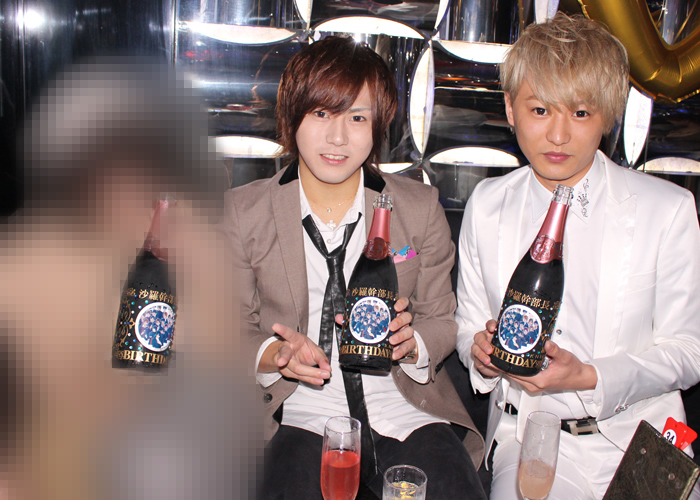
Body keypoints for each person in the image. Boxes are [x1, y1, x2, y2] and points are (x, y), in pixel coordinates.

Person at [221, 36, 486, 499]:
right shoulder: (245, 211)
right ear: (292, 116)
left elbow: (443, 318)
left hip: (404, 406)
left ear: (378, 125)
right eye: (321, 113)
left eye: (357, 118)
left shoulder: (418, 206)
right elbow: (225, 327)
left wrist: (412, 344)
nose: (338, 138)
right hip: (297, 411)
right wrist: (275, 354)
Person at [455, 13, 700, 500]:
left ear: (608, 115)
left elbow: (689, 351)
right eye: (540, 110)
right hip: (529, 439)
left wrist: (589, 376)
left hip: (641, 440)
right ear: (510, 108)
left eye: (581, 113)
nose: (558, 135)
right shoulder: (486, 203)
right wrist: (479, 353)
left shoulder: (667, 209)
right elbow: (467, 326)